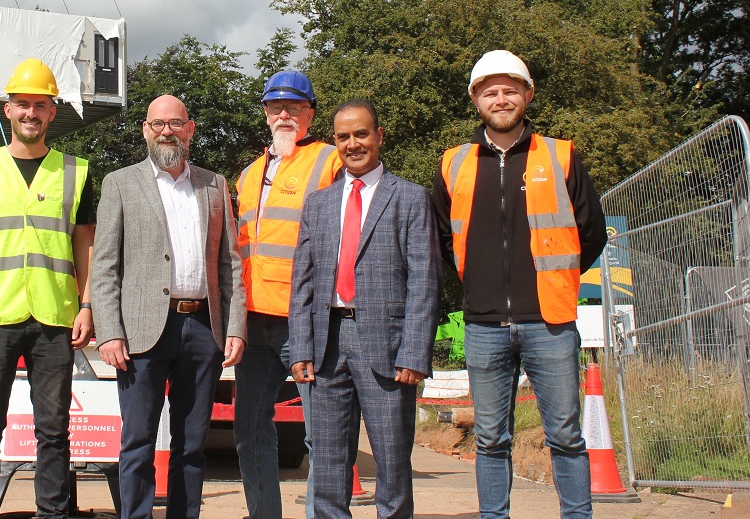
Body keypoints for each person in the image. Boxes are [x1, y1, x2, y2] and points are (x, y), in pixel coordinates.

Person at [432, 50, 607, 519]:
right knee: (490, 438)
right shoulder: (453, 163)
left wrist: (557, 280)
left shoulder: (561, 154)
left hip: (549, 321)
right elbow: (444, 240)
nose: (501, 98)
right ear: (475, 99)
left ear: (527, 95)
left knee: (566, 435)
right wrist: (481, 283)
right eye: (490, 91)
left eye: (511, 89)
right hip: (484, 324)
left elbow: (591, 233)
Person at [0, 58, 96, 519]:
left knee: (53, 427)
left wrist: (87, 304)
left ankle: (53, 512)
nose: (31, 113)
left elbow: (85, 246)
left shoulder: (76, 171)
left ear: (53, 112)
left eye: (40, 105)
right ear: (7, 109)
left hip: (56, 316)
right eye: (22, 104)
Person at [91, 95, 247, 519]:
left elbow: (230, 263)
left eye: (175, 124)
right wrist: (109, 331)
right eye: (158, 124)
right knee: (138, 441)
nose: (166, 131)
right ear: (145, 129)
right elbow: (104, 264)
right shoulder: (120, 183)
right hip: (140, 332)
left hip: (202, 329)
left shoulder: (214, 185)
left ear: (190, 129)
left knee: (191, 444)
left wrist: (235, 327)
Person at [289, 100, 440, 519]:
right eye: (343, 137)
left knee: (392, 462)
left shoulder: (410, 198)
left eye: (361, 134)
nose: (353, 144)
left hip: (386, 348)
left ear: (379, 137)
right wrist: (301, 348)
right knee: (329, 462)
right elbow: (302, 280)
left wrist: (414, 353)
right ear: (334, 141)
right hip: (326, 346)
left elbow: (425, 281)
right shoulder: (318, 204)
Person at [234, 70, 341, 519]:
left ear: (309, 114)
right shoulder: (248, 174)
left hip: (305, 323)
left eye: (294, 107)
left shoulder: (329, 161)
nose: (284, 114)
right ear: (265, 113)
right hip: (251, 323)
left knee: (322, 434)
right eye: (276, 107)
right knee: (251, 431)